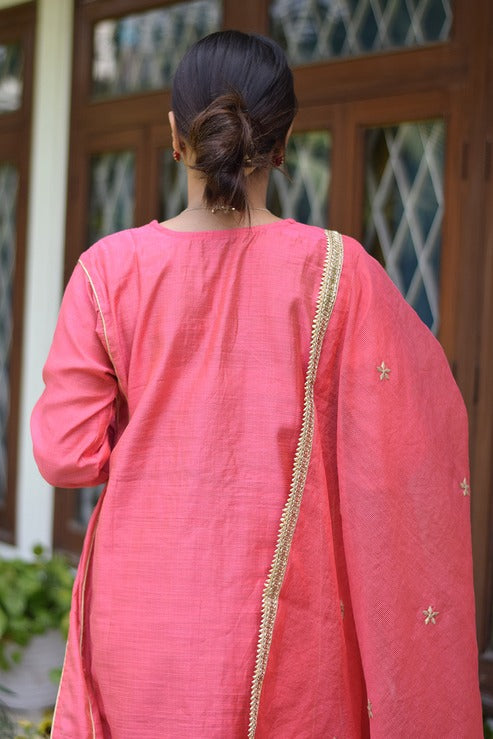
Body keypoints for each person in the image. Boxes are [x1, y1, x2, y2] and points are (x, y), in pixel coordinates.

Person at [31, 30, 482, 739]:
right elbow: (406, 440)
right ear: (285, 139)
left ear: (174, 133)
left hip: (137, 616)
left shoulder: (105, 271)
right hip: (286, 616)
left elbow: (67, 457)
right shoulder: (339, 271)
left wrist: (158, 434)